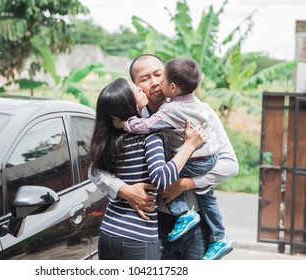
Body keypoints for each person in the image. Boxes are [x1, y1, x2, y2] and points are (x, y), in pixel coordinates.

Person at [90, 54, 239, 260]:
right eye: (144, 78)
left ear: (168, 78)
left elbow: (230, 165)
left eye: (158, 74)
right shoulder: (131, 123)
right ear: (136, 87)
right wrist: (124, 190)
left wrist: (184, 184)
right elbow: (96, 169)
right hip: (152, 224)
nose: (154, 83)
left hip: (196, 222)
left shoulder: (201, 113)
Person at [89, 77, 206, 260]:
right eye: (136, 89)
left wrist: (122, 189)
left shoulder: (110, 136)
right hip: (137, 236)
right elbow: (161, 178)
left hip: (108, 232)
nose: (141, 89)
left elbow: (95, 170)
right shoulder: (150, 135)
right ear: (128, 104)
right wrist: (189, 146)